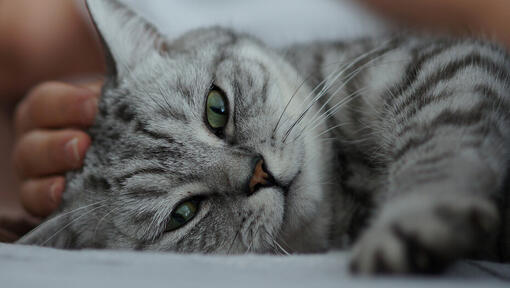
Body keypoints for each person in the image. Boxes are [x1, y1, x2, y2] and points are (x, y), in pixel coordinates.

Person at [1, 0, 509, 242]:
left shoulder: (325, 76)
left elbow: (474, 64)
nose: (250, 175)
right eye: (185, 212)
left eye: (218, 113)